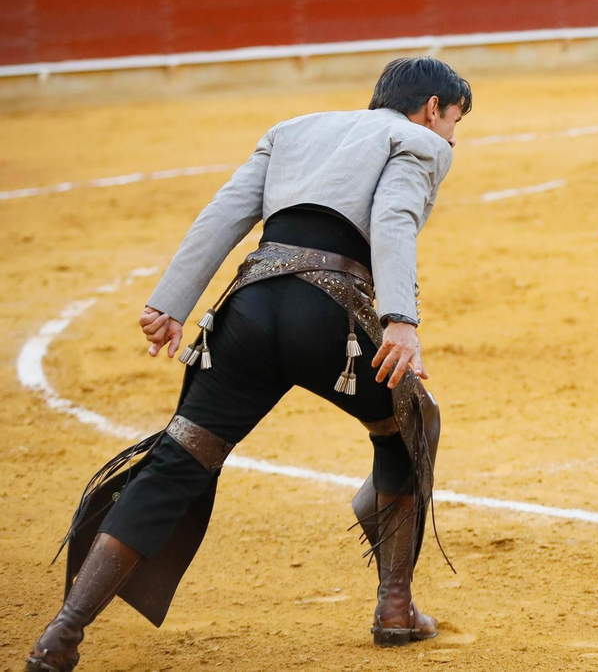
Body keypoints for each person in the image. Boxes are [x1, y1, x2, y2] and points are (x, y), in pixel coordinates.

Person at [25, 59, 468, 672]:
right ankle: (395, 606)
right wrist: (400, 320)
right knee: (410, 421)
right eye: (454, 121)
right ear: (432, 108)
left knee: (179, 460)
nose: (452, 136)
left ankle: (62, 633)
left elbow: (226, 211)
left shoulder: (292, 128)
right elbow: (393, 218)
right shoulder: (419, 142)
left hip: (248, 311)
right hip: (331, 319)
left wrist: (170, 303)